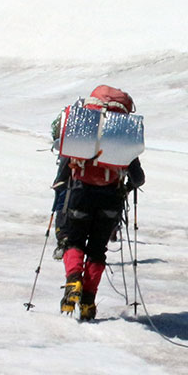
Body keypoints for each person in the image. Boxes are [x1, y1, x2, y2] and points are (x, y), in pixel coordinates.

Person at [53, 85, 144, 322]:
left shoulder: (84, 129)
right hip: (110, 199)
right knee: (96, 250)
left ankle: (73, 279)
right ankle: (88, 302)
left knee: (74, 241)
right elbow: (139, 178)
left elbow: (64, 167)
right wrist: (126, 187)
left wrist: (61, 185)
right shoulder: (123, 136)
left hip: (80, 194)